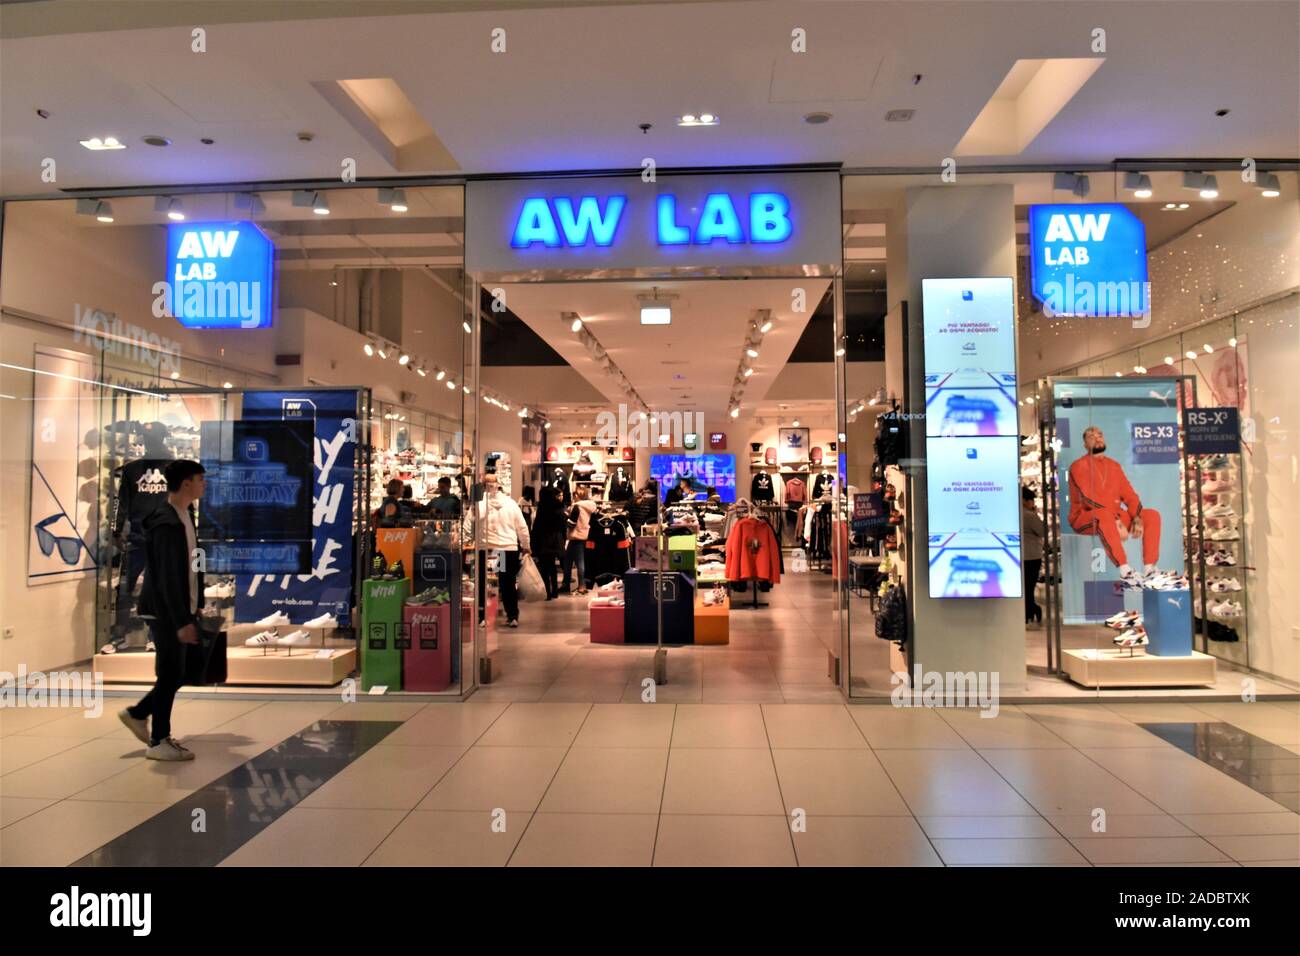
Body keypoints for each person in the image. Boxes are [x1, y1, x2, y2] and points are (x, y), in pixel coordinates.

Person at [118, 459, 206, 761]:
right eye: (200, 480)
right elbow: (168, 575)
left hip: (179, 609)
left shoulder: (184, 516)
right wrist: (182, 619)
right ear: (186, 484)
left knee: (176, 673)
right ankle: (157, 739)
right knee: (171, 673)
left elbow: (191, 568)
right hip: (166, 611)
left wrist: (196, 606)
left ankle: (141, 716)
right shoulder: (167, 522)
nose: (203, 485)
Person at [1067, 425, 1163, 588]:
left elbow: (1129, 494)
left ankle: (1149, 568)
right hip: (1085, 517)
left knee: (1151, 515)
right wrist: (1115, 519)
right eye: (1091, 437)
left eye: (1100, 434)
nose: (1097, 438)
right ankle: (1125, 570)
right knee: (1103, 515)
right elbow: (1089, 499)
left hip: (1114, 516)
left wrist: (1137, 517)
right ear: (1085, 445)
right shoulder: (1078, 466)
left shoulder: (1114, 465)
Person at [476, 473, 530, 627]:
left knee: (484, 583)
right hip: (506, 549)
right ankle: (512, 615)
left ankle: (482, 617)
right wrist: (526, 545)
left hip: (487, 548)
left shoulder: (480, 503)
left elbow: (469, 522)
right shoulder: (510, 503)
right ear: (498, 484)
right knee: (507, 583)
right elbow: (522, 527)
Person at [530, 485, 567, 600]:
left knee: (545, 567)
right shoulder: (559, 506)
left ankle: (548, 592)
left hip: (544, 539)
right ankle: (555, 590)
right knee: (552, 567)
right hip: (556, 539)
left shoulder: (542, 507)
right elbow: (563, 525)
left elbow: (537, 526)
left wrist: (533, 542)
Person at [561, 485, 598, 595]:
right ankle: (568, 584)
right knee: (571, 561)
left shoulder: (576, 506)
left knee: (576, 562)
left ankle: (580, 586)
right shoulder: (589, 507)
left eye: (574, 495)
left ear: (577, 495)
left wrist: (565, 517)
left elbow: (572, 523)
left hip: (575, 536)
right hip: (583, 536)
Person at [1022, 486, 1045, 626]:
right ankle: (1032, 610)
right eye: (1031, 500)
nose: (1033, 503)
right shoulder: (1029, 515)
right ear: (1025, 500)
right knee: (1029, 586)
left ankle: (1029, 611)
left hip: (1023, 556)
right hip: (1032, 556)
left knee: (1026, 587)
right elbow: (1042, 530)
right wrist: (1035, 513)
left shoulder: (1017, 513)